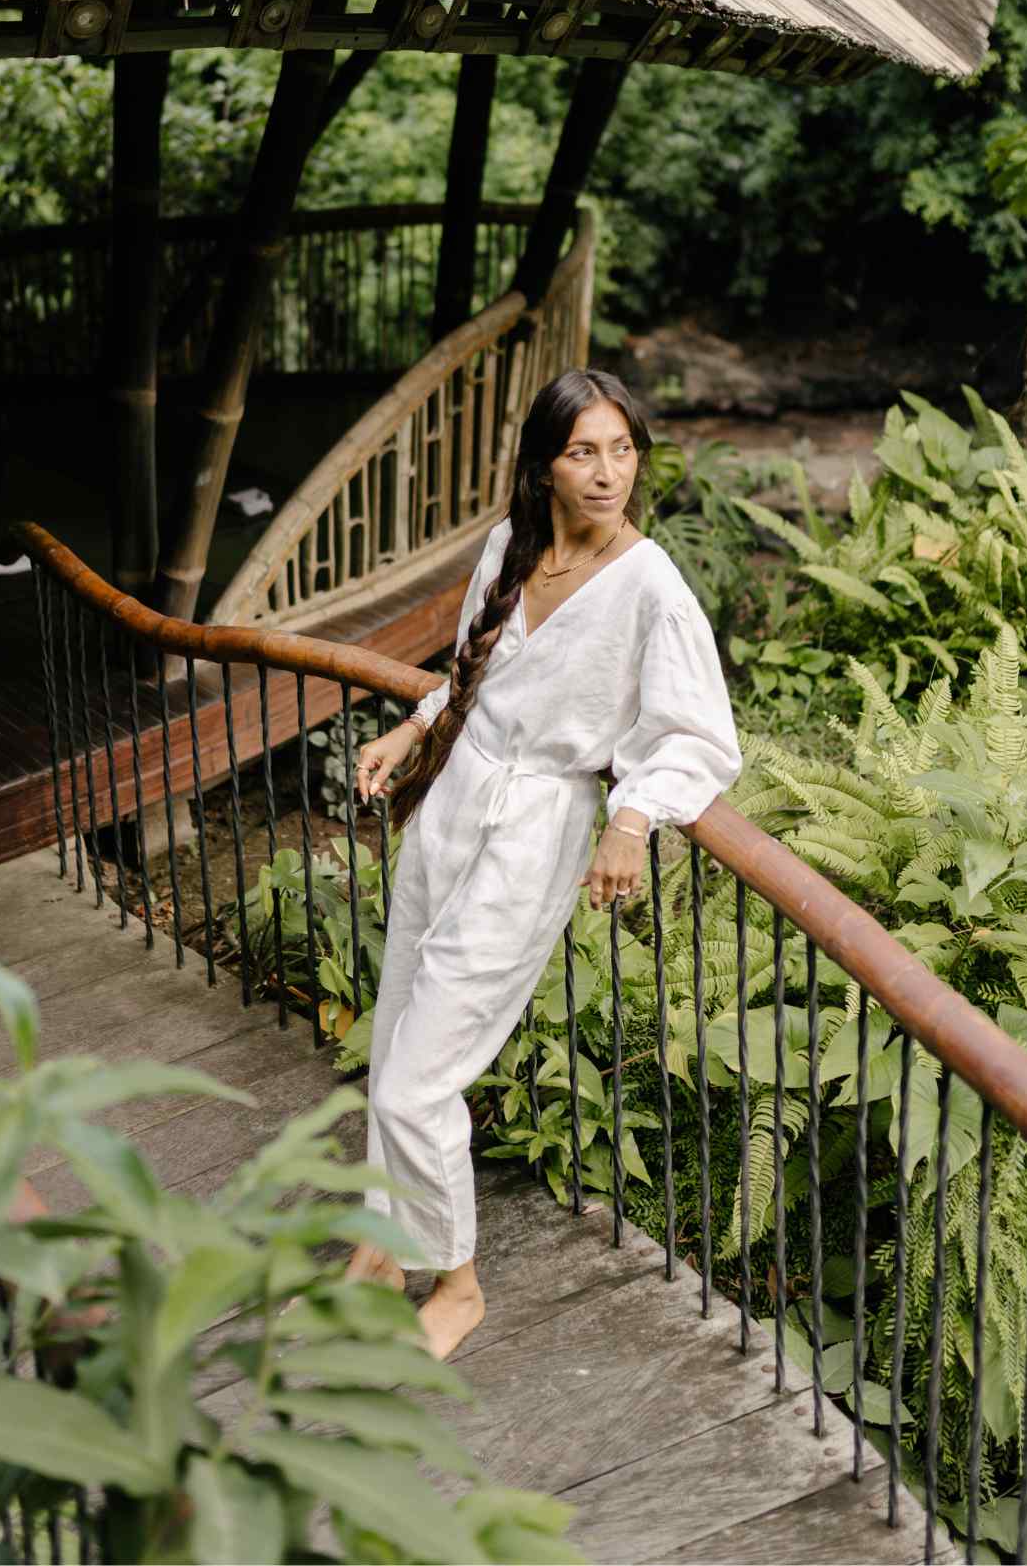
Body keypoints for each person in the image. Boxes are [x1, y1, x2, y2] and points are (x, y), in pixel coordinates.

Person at [346, 369, 742, 1358]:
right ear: (545, 467)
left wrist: (632, 816)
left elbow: (700, 735)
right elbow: (477, 678)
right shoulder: (510, 550)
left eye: (621, 449)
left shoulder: (651, 587)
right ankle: (384, 1242)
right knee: (397, 1030)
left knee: (416, 1082)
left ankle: (458, 1283)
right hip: (452, 807)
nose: (607, 472)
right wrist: (413, 729)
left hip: (533, 832)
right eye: (583, 452)